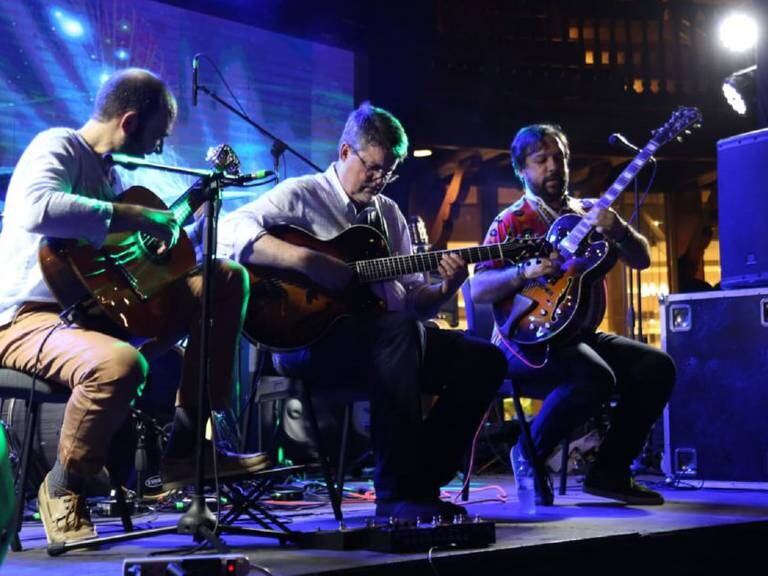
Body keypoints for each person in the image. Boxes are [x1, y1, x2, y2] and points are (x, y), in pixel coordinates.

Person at [0, 68, 267, 544]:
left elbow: (124, 264)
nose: (159, 150)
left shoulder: (113, 175)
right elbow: (34, 209)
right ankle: (63, 488)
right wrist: (136, 215)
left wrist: (180, 239)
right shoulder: (57, 145)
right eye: (156, 137)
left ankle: (188, 448)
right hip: (27, 319)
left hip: (93, 314)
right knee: (121, 363)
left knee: (224, 279)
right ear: (127, 121)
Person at [218, 102, 507, 520]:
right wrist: (305, 261)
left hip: (387, 342)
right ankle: (394, 494)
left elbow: (410, 301)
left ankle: (421, 483)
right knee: (396, 335)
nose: (379, 179)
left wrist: (447, 285)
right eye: (372, 168)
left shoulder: (389, 214)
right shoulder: (302, 195)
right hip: (308, 343)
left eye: (389, 171)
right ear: (345, 152)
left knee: (484, 360)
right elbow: (230, 231)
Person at [471, 123, 676, 505]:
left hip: (577, 336)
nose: (553, 166)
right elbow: (478, 288)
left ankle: (610, 472)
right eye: (540, 159)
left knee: (657, 366)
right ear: (521, 170)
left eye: (559, 157)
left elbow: (643, 259)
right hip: (523, 342)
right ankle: (527, 450)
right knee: (595, 376)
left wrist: (617, 229)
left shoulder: (588, 213)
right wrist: (524, 272)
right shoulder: (510, 222)